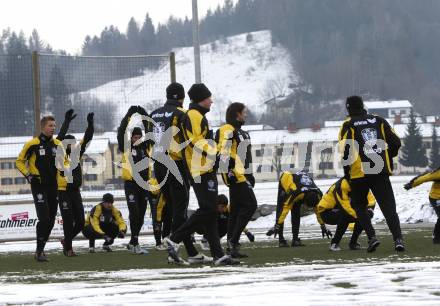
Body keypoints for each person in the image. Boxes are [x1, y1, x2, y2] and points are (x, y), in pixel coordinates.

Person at [164, 83, 238, 266]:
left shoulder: (197, 115)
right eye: (208, 98)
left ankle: (218, 255)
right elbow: (195, 141)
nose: (211, 101)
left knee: (211, 212)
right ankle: (174, 239)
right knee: (208, 210)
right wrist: (216, 153)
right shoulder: (193, 116)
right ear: (200, 99)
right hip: (200, 170)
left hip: (204, 168)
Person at [339, 95, 404, 252]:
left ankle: (372, 237)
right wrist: (389, 156)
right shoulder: (379, 120)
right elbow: (396, 142)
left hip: (359, 173)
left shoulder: (348, 124)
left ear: (348, 108)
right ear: (362, 106)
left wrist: (347, 173)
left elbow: (346, 151)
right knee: (389, 207)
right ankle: (398, 240)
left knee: (359, 205)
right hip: (380, 170)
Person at [149, 82, 201, 262]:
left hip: (158, 164)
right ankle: (173, 249)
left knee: (173, 209)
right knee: (180, 210)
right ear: (181, 97)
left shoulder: (154, 114)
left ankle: (192, 252)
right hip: (175, 164)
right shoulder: (181, 113)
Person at [16, 109, 75, 261]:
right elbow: (19, 161)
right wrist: (29, 175)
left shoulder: (57, 144)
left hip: (53, 187)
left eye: (54, 126)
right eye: (50, 125)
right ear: (43, 127)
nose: (53, 128)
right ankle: (39, 251)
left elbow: (65, 162)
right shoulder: (33, 144)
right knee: (44, 219)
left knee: (50, 219)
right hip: (39, 186)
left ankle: (39, 250)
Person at [215, 102, 257, 258]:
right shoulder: (226, 129)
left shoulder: (243, 133)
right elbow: (222, 151)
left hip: (243, 174)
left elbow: (246, 156)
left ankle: (231, 247)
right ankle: (233, 240)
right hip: (235, 174)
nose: (245, 115)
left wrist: (250, 174)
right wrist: (229, 170)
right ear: (237, 114)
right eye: (243, 112)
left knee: (236, 210)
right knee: (251, 205)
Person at [57, 112, 94, 257]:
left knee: (80, 222)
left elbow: (87, 139)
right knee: (68, 220)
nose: (72, 146)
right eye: (69, 144)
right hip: (63, 191)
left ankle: (66, 241)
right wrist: (66, 121)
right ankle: (68, 249)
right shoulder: (58, 153)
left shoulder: (76, 154)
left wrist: (90, 125)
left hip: (75, 192)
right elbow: (59, 138)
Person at [117, 105, 151, 254]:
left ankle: (133, 242)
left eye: (139, 137)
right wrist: (129, 114)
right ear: (131, 138)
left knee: (142, 214)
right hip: (131, 184)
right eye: (134, 137)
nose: (136, 139)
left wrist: (144, 115)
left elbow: (150, 130)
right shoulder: (126, 147)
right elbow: (121, 130)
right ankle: (134, 243)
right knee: (134, 212)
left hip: (144, 185)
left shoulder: (146, 147)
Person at [315, 177, 376, 251]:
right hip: (326, 212)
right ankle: (334, 243)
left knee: (362, 213)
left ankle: (353, 243)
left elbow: (370, 198)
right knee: (348, 216)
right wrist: (361, 216)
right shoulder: (341, 186)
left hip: (341, 209)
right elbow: (345, 208)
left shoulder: (360, 182)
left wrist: (370, 210)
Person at [267, 171, 322, 247]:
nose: (307, 208)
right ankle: (281, 240)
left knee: (296, 212)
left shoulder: (317, 194)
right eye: (307, 206)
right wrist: (278, 224)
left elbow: (318, 210)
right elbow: (285, 209)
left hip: (298, 185)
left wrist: (322, 225)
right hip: (286, 179)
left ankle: (295, 240)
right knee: (281, 208)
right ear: (305, 200)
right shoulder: (296, 193)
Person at [404, 167, 440, 243]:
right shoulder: (438, 174)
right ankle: (436, 236)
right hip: (436, 197)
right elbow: (424, 177)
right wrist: (411, 184)